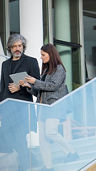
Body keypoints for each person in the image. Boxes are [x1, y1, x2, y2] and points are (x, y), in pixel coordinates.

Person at [20, 43, 79, 171]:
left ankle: (72, 152)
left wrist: (34, 81)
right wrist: (29, 86)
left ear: (50, 55)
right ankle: (48, 166)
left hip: (54, 106)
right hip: (42, 107)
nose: (41, 57)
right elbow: (40, 91)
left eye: (43, 55)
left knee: (50, 132)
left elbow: (53, 86)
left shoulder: (59, 69)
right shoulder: (46, 71)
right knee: (42, 139)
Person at [0, 34, 40, 171]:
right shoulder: (5, 64)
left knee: (20, 138)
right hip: (7, 109)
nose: (17, 48)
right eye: (14, 46)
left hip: (22, 109)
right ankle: (30, 161)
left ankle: (25, 166)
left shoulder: (31, 62)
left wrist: (20, 86)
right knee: (10, 140)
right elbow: (2, 88)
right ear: (10, 48)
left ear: (23, 47)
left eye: (19, 45)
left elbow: (37, 86)